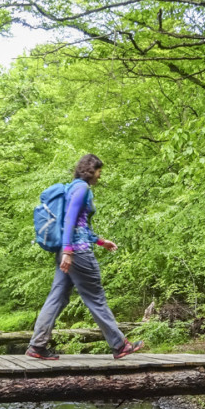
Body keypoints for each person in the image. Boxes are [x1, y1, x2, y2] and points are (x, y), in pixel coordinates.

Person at [26, 154, 144, 360]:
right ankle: (119, 345)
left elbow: (80, 225)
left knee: (58, 297)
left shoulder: (73, 187)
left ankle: (37, 346)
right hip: (77, 252)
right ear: (91, 170)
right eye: (99, 171)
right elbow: (71, 218)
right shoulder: (82, 188)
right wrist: (69, 251)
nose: (100, 176)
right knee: (95, 297)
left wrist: (100, 241)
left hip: (69, 250)